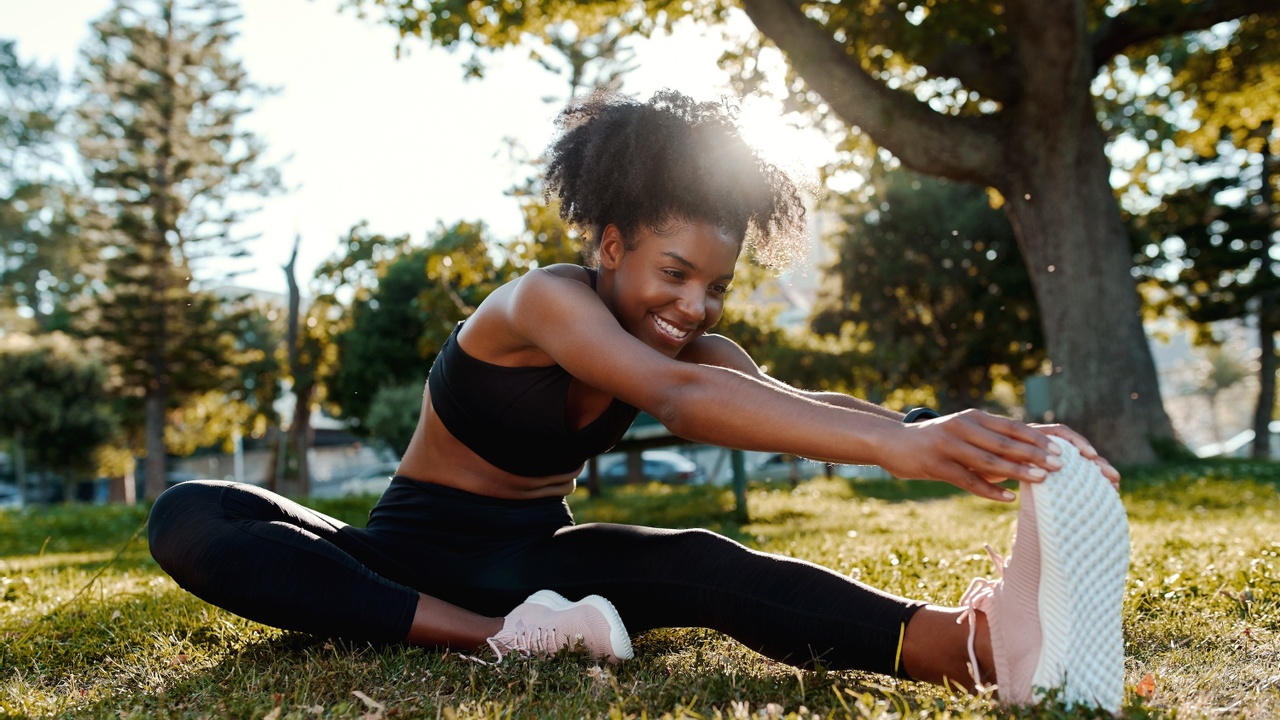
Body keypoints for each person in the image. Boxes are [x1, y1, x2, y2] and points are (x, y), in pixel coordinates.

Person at [148, 89, 1129, 710]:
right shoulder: (542, 301)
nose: (690, 305)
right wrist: (899, 454)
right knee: (192, 514)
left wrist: (956, 434)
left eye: (712, 285)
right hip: (402, 561)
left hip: (545, 567)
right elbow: (672, 396)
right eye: (671, 271)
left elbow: (786, 398)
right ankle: (499, 642)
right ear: (609, 244)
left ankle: (974, 649)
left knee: (705, 562)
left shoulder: (698, 344)